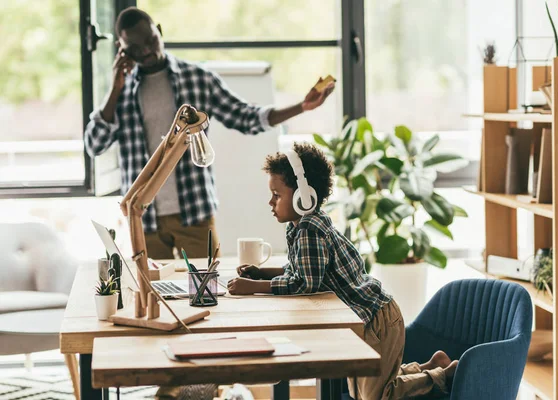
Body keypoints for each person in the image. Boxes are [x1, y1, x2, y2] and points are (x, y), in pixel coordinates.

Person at [84, 7, 335, 259]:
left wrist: (301, 107)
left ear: (159, 32)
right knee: (152, 293)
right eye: (136, 48)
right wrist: (115, 88)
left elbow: (246, 116)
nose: (147, 50)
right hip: (143, 219)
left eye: (150, 40)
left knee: (206, 291)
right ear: (122, 49)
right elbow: (94, 144)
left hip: (194, 211)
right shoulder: (121, 93)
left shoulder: (198, 79)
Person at [227, 142, 459, 399]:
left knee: (377, 396)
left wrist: (255, 288)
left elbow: (305, 283)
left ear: (304, 196)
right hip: (366, 318)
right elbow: (299, 269)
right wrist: (262, 274)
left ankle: (443, 375)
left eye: (276, 195)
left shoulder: (309, 230)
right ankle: (430, 366)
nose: (270, 201)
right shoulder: (299, 225)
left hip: (375, 320)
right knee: (363, 391)